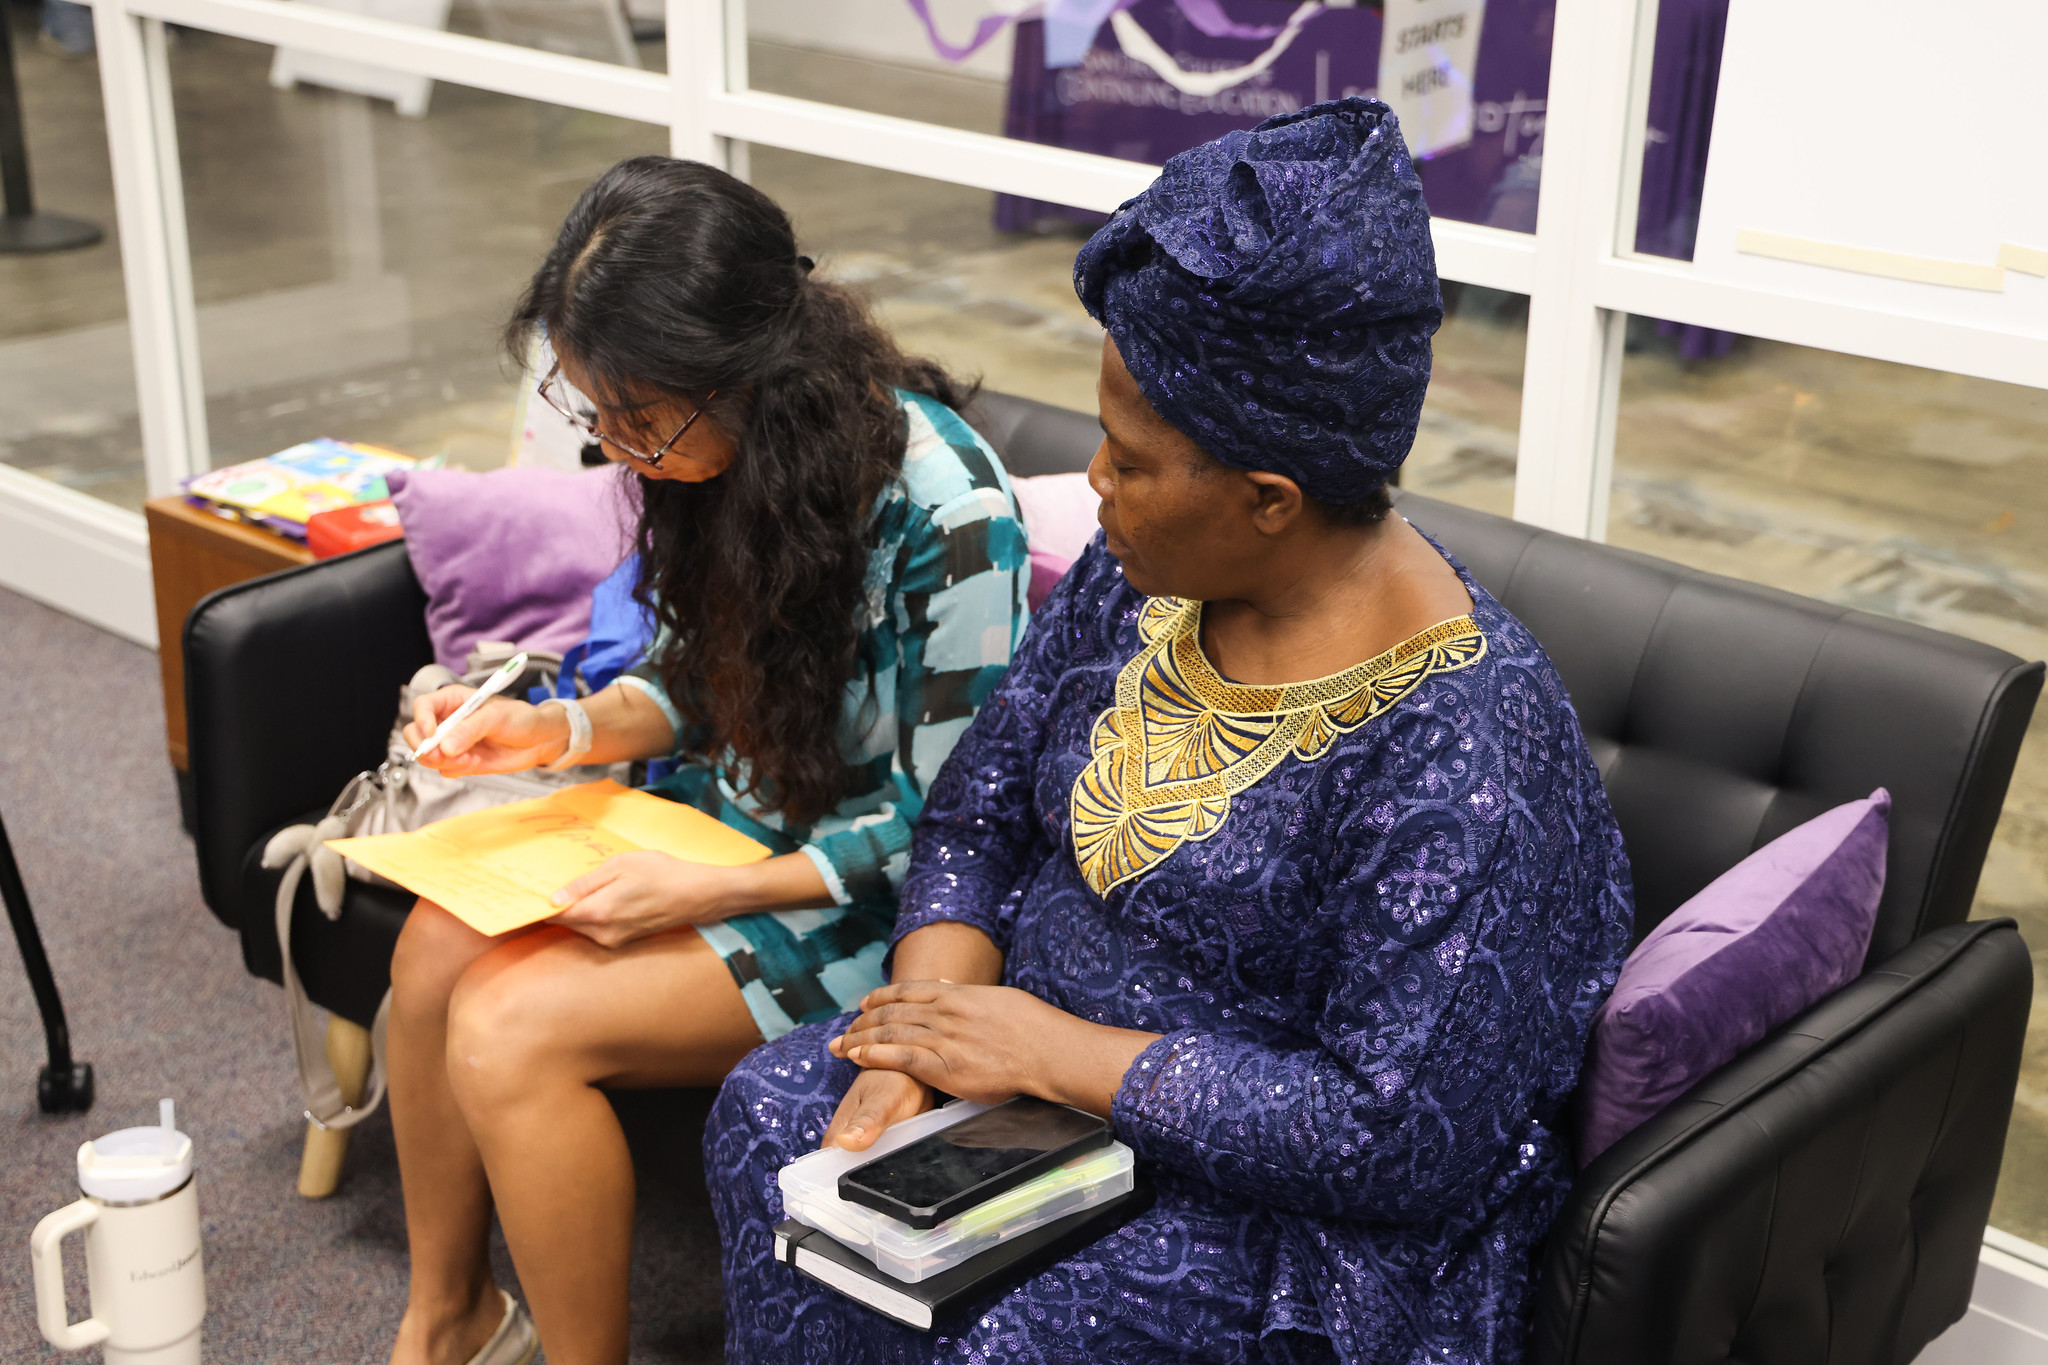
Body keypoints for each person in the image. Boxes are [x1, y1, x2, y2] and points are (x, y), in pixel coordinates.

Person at [707, 98, 1634, 1364]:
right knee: (773, 1118)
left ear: (1268, 500)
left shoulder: (1460, 746)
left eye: (1128, 459)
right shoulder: (1144, 575)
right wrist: (920, 1041)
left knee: (1020, 1337)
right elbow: (978, 812)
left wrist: (1055, 1054)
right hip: (1020, 1082)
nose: (1093, 481)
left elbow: (1391, 1136)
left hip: (1275, 1205)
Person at [384, 157, 1030, 1365]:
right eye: (597, 414)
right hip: (718, 830)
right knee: (429, 954)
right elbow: (693, 678)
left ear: (749, 373)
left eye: (640, 419)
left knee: (506, 1026)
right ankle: (450, 1320)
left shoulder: (949, 514)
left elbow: (953, 831)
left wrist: (709, 890)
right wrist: (557, 731)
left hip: (863, 902)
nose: (620, 449)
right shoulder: (713, 459)